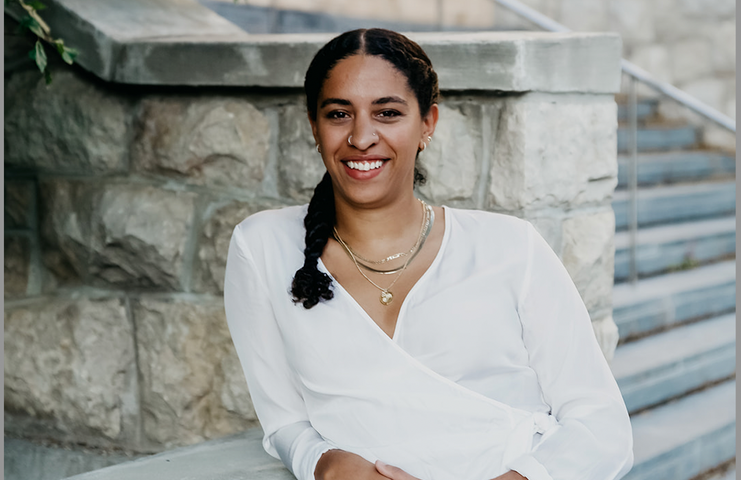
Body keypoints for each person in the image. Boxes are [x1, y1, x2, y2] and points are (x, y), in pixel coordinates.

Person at [224, 28, 633, 480]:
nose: (362, 136)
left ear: (427, 124)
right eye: (339, 113)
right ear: (314, 127)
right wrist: (323, 462)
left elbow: (601, 425)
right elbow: (283, 419)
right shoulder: (260, 247)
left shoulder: (511, 246)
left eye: (388, 113)